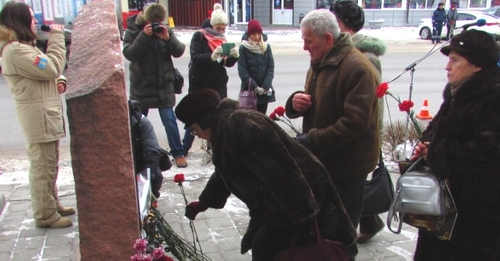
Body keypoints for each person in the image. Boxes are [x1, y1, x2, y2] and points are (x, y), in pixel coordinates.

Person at [175, 89, 357, 261]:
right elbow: (225, 170)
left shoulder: (240, 125)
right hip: (283, 203)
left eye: (193, 129)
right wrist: (205, 202)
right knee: (268, 249)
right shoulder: (224, 130)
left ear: (205, 121)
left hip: (301, 199)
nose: (196, 135)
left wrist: (304, 218)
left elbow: (282, 171)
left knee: (275, 249)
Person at [285, 9, 379, 259]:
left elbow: (355, 123)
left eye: (308, 41)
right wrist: (295, 103)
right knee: (324, 230)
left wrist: (311, 141)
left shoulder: (357, 67)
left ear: (328, 38)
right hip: (325, 162)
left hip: (347, 168)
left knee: (343, 234)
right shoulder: (322, 60)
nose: (305, 47)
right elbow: (317, 100)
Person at [410, 29, 500, 261]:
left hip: (476, 213)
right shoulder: (457, 93)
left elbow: (488, 151)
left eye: (455, 60)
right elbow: (436, 129)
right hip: (444, 206)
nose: (447, 67)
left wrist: (437, 152)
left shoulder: (493, 97)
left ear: (477, 65)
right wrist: (426, 145)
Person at [0, 1, 75, 228]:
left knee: (50, 164)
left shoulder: (23, 46)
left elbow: (46, 74)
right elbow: (51, 67)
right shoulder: (15, 50)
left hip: (44, 114)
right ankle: (45, 215)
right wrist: (56, 38)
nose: (35, 22)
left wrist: (59, 81)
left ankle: (51, 204)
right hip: (38, 117)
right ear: (20, 21)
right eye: (31, 18)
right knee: (42, 167)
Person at [330, 0, 387, 244]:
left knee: (354, 184)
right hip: (358, 129)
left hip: (364, 131)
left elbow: (373, 103)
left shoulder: (363, 56)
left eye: (335, 21)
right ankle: (371, 222)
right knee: (355, 185)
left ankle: (357, 229)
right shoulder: (346, 51)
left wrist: (373, 134)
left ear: (344, 25)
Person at [122, 3, 188, 168]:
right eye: (153, 21)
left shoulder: (165, 31)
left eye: (158, 21)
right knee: (137, 123)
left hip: (163, 86)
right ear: (146, 20)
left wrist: (168, 38)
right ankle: (135, 154)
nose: (155, 24)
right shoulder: (134, 31)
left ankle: (178, 153)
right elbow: (130, 54)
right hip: (142, 86)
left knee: (169, 121)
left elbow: (179, 51)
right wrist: (143, 36)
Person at [182, 3, 239, 156]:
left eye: (223, 29)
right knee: (195, 117)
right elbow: (195, 57)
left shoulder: (223, 40)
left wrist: (234, 56)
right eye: (218, 28)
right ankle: (184, 148)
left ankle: (215, 149)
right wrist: (212, 56)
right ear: (212, 25)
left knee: (217, 117)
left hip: (217, 84)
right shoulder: (199, 36)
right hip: (200, 84)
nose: (220, 31)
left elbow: (226, 63)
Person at [129, 100, 172, 199]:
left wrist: (150, 176)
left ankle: (150, 201)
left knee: (155, 176)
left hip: (140, 160)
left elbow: (152, 148)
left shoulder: (140, 121)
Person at [238, 19, 276, 114]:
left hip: (264, 91)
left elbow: (270, 68)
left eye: (258, 34)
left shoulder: (266, 47)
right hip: (250, 91)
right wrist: (255, 87)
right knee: (249, 120)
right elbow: (243, 71)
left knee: (262, 118)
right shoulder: (243, 48)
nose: (256, 37)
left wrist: (265, 87)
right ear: (249, 34)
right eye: (253, 34)